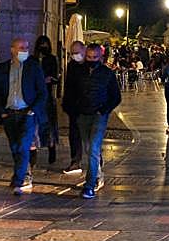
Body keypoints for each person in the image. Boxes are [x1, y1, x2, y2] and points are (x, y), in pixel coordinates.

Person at [0, 37, 47, 195]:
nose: (24, 50)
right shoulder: (3, 68)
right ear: (12, 49)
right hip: (10, 113)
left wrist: (32, 110)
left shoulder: (33, 67)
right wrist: (2, 111)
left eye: (26, 48)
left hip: (27, 113)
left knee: (23, 146)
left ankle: (19, 180)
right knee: (14, 147)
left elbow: (42, 92)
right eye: (20, 47)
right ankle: (21, 174)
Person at [64, 42, 123, 199]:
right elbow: (71, 92)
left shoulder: (107, 74)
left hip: (99, 115)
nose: (91, 59)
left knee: (94, 148)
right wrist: (73, 109)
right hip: (82, 114)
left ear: (101, 57)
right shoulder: (79, 72)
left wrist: (103, 110)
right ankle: (97, 175)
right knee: (88, 147)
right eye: (89, 57)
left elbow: (116, 97)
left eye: (95, 57)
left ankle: (89, 184)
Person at [60, 40, 87, 175]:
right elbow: (69, 86)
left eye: (77, 52)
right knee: (74, 135)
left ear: (83, 51)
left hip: (88, 108)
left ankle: (96, 164)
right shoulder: (71, 66)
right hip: (74, 107)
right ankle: (75, 161)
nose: (75, 55)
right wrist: (67, 103)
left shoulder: (90, 65)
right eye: (72, 53)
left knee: (90, 138)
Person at [33, 35, 60, 166]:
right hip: (34, 97)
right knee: (34, 125)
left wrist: (48, 80)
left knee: (49, 124)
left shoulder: (52, 59)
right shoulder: (32, 60)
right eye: (41, 44)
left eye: (45, 44)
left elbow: (56, 77)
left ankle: (51, 147)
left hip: (47, 96)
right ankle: (33, 153)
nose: (43, 47)